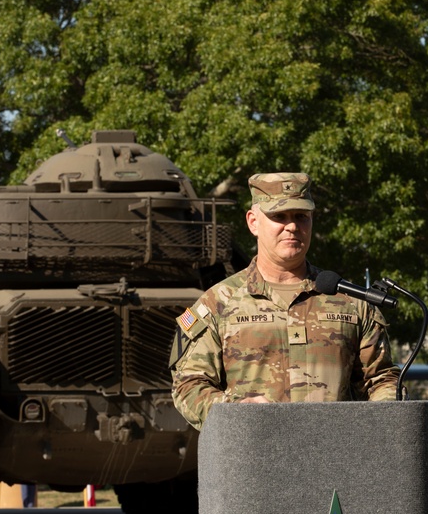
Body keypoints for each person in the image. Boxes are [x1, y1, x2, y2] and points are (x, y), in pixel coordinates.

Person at [169, 172, 401, 429]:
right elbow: (188, 385)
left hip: (335, 458)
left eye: (301, 216)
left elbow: (381, 379)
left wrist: (384, 424)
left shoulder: (350, 301)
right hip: (253, 455)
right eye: (279, 216)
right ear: (253, 222)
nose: (292, 226)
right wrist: (233, 411)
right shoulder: (218, 303)